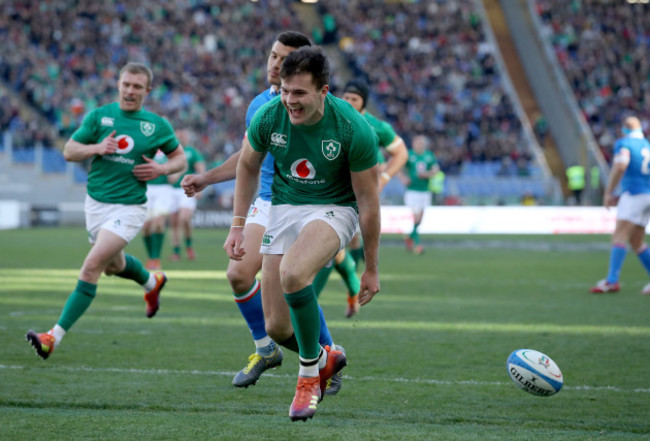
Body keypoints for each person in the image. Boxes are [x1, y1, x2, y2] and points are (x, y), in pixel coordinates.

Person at [224, 46, 381, 421]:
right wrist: (237, 224)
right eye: (284, 91)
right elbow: (247, 166)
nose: (289, 101)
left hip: (335, 209)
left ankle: (309, 378)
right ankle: (326, 356)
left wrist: (371, 267)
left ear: (324, 92)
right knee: (278, 328)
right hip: (283, 208)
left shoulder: (352, 128)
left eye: (299, 94)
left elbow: (369, 201)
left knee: (294, 273)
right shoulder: (269, 116)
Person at [182, 32, 341, 393]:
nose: (274, 64)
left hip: (302, 202)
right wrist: (207, 178)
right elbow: (246, 159)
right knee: (238, 273)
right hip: (266, 201)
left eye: (283, 59)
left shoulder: (317, 106)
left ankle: (328, 354)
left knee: (292, 281)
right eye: (272, 56)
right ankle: (267, 349)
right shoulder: (258, 106)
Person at [26, 62, 187, 359]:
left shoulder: (157, 125)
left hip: (130, 207)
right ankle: (153, 282)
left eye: (137, 86)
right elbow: (69, 151)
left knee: (92, 266)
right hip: (96, 205)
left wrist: (162, 168)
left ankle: (53, 337)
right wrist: (96, 148)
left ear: (147, 91)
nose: (130, 90)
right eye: (126, 84)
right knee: (113, 266)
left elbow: (180, 160)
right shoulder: (100, 117)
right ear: (118, 85)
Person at [312, 78, 408, 319]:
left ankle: (309, 302)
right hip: (332, 189)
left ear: (363, 102)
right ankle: (354, 290)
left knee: (332, 247)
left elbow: (401, 152)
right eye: (345, 97)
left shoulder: (376, 127)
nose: (348, 102)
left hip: (358, 194)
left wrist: (384, 178)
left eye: (354, 99)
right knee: (338, 247)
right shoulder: (332, 119)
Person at [590, 116, 650, 294]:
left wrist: (610, 190)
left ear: (624, 129)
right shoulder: (647, 144)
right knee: (637, 241)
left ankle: (611, 281)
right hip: (648, 195)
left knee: (619, 236)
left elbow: (621, 166)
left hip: (633, 194)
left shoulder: (624, 143)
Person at [169, 129, 206, 262]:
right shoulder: (172, 153)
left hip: (187, 190)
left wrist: (201, 188)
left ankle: (189, 246)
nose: (181, 137)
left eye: (184, 135)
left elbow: (201, 169)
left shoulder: (192, 152)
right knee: (174, 222)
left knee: (184, 218)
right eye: (179, 135)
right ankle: (176, 250)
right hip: (172, 191)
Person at [402, 134, 439, 255]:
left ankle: (409, 238)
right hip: (412, 191)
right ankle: (418, 245)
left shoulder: (429, 156)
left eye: (422, 143)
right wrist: (403, 178)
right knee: (416, 217)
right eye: (418, 142)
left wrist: (427, 174)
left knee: (420, 220)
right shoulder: (409, 155)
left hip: (425, 190)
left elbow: (435, 170)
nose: (420, 144)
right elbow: (398, 167)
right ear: (413, 143)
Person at [142, 149, 176, 270]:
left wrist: (176, 174)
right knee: (145, 227)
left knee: (158, 222)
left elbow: (180, 162)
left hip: (164, 189)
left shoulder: (169, 146)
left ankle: (155, 259)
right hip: (146, 188)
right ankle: (151, 257)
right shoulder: (146, 146)